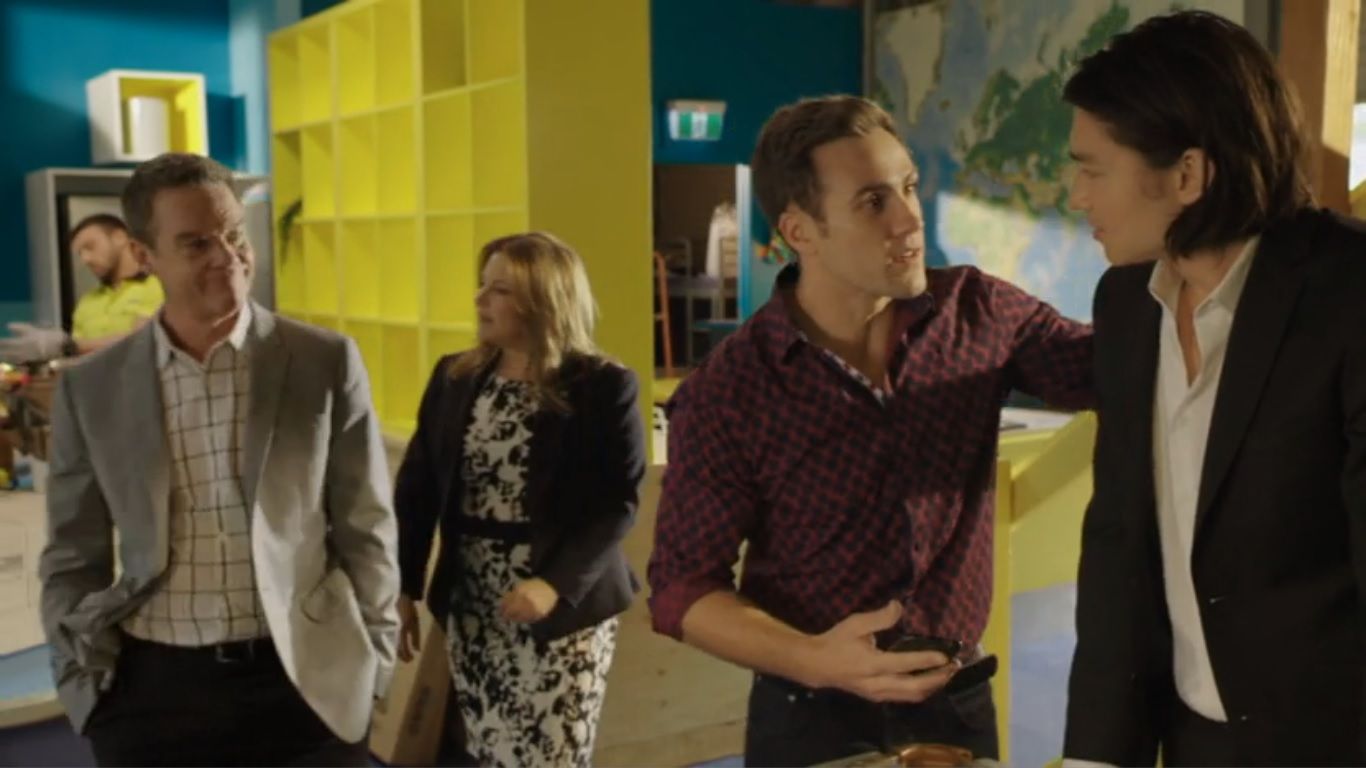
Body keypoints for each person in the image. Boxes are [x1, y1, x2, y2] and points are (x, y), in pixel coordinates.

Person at [646, 95, 1094, 767]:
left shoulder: (980, 313)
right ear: (800, 231)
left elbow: (1115, 369)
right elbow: (682, 590)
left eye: (909, 187)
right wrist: (816, 660)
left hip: (956, 704)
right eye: (873, 202)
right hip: (810, 717)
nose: (910, 219)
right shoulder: (730, 390)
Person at [1061, 11, 1366, 767]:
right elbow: (1119, 545)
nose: (1076, 196)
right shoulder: (1126, 304)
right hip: (1191, 740)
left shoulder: (1349, 293)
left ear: (1187, 175)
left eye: (1093, 170)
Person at [38, 152, 399, 766]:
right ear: (145, 255)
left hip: (306, 683)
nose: (226, 256)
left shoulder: (324, 361)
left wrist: (376, 665)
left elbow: (366, 527)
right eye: (196, 243)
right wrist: (83, 687)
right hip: (153, 693)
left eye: (233, 234)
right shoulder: (91, 389)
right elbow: (73, 553)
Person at [393, 232, 645, 767]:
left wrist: (554, 585)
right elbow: (417, 488)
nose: (480, 299)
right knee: (491, 752)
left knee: (552, 758)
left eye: (500, 290)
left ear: (543, 299)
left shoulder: (603, 385)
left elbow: (617, 504)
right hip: (474, 602)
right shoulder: (455, 376)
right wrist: (404, 585)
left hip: (563, 609)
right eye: (483, 285)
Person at [0, 214, 164, 362]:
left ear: (119, 237)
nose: (85, 259)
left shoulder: (158, 285)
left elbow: (142, 342)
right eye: (80, 253)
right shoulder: (87, 302)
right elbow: (78, 360)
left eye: (90, 247)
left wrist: (69, 346)